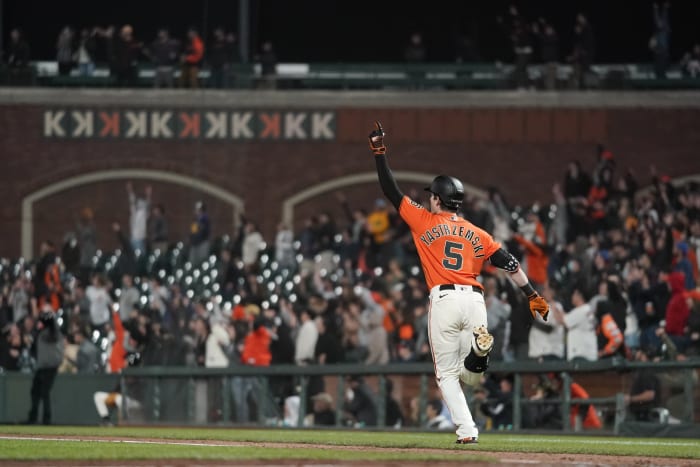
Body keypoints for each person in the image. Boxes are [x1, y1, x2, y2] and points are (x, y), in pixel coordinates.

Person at [367, 121, 549, 444]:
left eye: (431, 197)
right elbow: (511, 264)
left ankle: (467, 428)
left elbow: (390, 190)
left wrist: (380, 152)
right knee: (473, 379)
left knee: (446, 375)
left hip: (445, 300)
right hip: (476, 301)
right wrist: (532, 294)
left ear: (437, 200)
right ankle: (479, 355)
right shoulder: (478, 233)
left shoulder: (424, 220)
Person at [26, 310, 64, 425]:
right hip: (42, 367)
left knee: (44, 392)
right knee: (35, 392)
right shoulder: (42, 332)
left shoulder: (53, 332)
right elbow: (33, 348)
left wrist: (50, 318)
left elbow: (52, 325)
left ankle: (46, 419)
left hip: (50, 367)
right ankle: (34, 418)